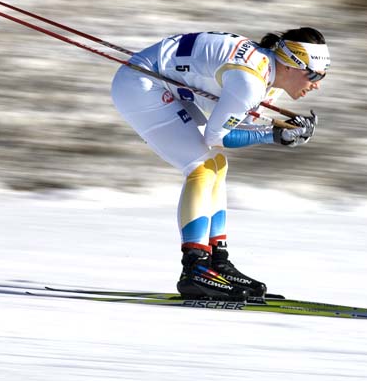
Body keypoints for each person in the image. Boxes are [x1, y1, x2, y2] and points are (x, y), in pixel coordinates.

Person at [110, 27, 330, 300]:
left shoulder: (267, 76)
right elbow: (217, 136)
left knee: (217, 164)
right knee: (200, 166)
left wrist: (282, 129)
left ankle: (217, 261)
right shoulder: (251, 81)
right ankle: (195, 267)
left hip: (161, 82)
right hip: (141, 86)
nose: (317, 84)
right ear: (290, 64)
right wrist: (274, 135)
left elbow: (239, 123)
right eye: (314, 75)